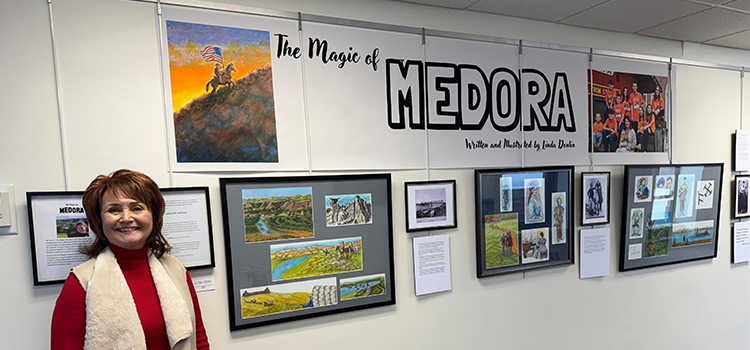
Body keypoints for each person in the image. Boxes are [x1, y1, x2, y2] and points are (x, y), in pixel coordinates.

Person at [51, 169, 210, 350]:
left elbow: (198, 339)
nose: (126, 218)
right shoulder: (82, 281)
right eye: (114, 210)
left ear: (153, 215)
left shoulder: (176, 269)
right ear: (99, 220)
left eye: (136, 208)